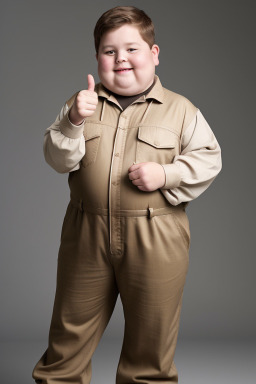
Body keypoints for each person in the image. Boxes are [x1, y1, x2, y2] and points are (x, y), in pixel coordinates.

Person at [32, 6, 222, 384]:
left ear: (154, 54)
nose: (121, 59)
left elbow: (209, 160)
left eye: (132, 49)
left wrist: (166, 174)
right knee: (68, 337)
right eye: (109, 51)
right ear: (97, 57)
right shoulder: (81, 103)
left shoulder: (181, 110)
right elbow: (56, 158)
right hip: (86, 233)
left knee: (150, 343)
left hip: (156, 235)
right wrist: (73, 120)